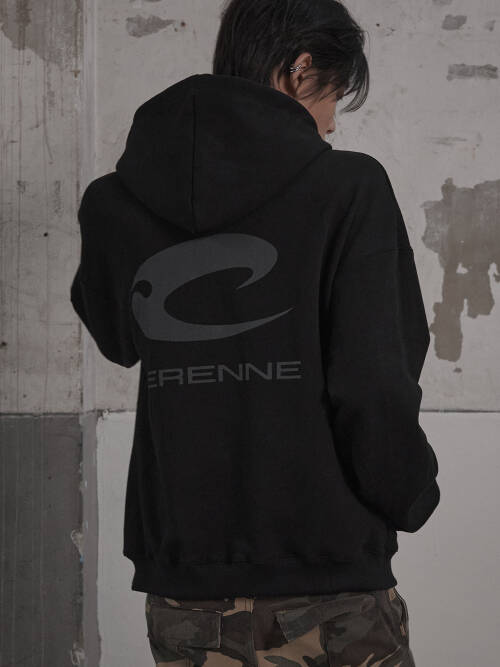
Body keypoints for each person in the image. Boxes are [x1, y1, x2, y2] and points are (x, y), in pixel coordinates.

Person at [70, 0, 440, 664]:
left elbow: (117, 339)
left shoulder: (114, 201)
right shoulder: (349, 186)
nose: (331, 121)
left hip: (185, 595)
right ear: (300, 69)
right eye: (333, 94)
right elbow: (372, 381)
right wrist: (411, 492)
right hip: (327, 585)